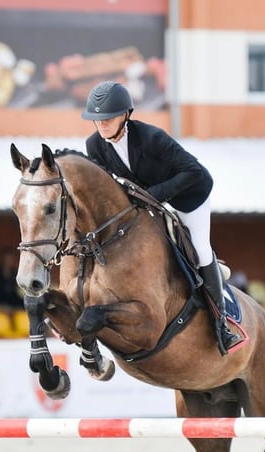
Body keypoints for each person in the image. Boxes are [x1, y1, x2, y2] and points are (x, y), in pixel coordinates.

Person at [81, 81, 240, 355]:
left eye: (108, 118)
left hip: (188, 198)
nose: (102, 125)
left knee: (200, 251)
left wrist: (154, 195)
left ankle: (221, 325)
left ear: (125, 115)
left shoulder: (152, 138)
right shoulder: (94, 146)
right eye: (97, 119)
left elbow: (196, 173)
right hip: (149, 204)